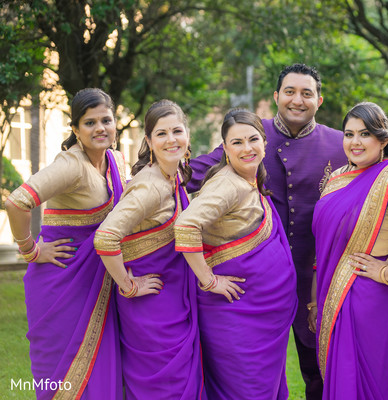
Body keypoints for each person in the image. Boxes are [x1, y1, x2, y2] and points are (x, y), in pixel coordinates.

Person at [187, 63, 347, 399]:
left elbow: (379, 176)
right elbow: (193, 171)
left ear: (320, 99)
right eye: (289, 92)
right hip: (253, 288)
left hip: (316, 279)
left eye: (307, 93)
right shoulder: (251, 137)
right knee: (255, 375)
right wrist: (139, 178)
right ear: (276, 96)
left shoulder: (339, 143)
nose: (297, 100)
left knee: (319, 368)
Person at [311, 102, 388, 399]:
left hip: (370, 296)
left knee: (369, 380)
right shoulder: (337, 177)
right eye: (349, 134)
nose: (354, 142)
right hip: (334, 290)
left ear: (383, 139)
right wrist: (313, 301)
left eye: (365, 134)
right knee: (343, 378)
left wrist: (386, 272)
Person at [5, 88, 125, 399]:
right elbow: (17, 203)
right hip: (62, 280)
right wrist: (31, 249)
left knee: (100, 369)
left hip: (98, 281)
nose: (100, 128)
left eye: (106, 120)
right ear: (75, 129)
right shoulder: (71, 165)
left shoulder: (114, 160)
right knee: (63, 375)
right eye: (89, 123)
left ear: (116, 123)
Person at [174, 108, 297, 399]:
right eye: (237, 142)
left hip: (260, 319)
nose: (247, 148)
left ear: (264, 142)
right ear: (225, 149)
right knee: (245, 390)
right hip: (236, 318)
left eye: (253, 139)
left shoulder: (250, 179)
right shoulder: (228, 183)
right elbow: (186, 226)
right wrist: (209, 281)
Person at [93, 100, 202, 398]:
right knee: (165, 388)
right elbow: (105, 238)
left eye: (177, 131)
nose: (171, 140)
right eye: (161, 134)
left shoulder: (175, 175)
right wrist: (128, 286)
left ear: (187, 135)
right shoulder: (150, 186)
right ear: (149, 141)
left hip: (172, 298)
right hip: (151, 309)